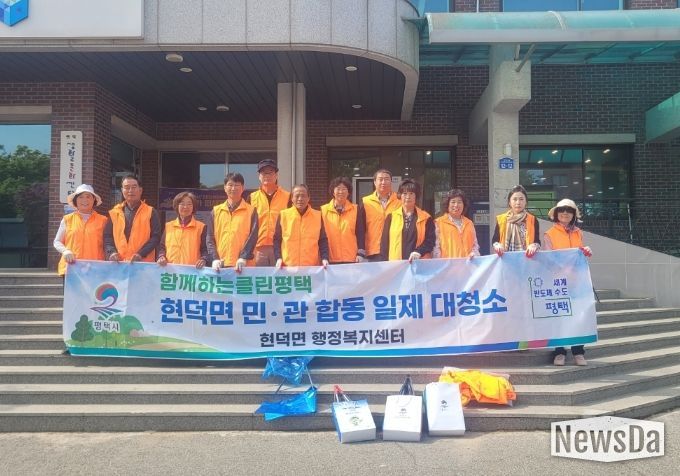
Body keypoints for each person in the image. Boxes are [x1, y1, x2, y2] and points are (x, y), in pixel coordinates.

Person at [544, 198, 593, 367]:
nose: (565, 213)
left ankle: (578, 351)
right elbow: (548, 259)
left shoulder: (578, 232)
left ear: (573, 215)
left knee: (579, 316)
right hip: (558, 282)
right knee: (559, 317)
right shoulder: (549, 234)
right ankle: (559, 352)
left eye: (569, 211)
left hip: (577, 281)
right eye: (562, 210)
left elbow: (579, 253)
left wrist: (585, 251)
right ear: (556, 214)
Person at [206, 173, 259, 273]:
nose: (233, 188)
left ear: (242, 188)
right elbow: (209, 237)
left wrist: (244, 257)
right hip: (220, 265)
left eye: (237, 185)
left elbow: (253, 236)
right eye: (230, 185)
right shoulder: (216, 211)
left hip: (244, 265)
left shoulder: (251, 211)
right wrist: (214, 258)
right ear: (225, 188)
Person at [53, 184, 107, 276]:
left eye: (88, 197)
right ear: (76, 200)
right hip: (71, 268)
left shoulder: (103, 220)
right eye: (81, 197)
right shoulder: (67, 219)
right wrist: (65, 251)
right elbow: (57, 241)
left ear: (94, 199)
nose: (84, 200)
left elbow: (109, 244)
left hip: (95, 269)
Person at [104, 175, 161, 263]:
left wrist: (141, 254)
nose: (130, 190)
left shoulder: (150, 212)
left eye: (134, 187)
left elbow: (156, 237)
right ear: (122, 190)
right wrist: (111, 252)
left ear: (140, 190)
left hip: (143, 264)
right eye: (127, 187)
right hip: (119, 264)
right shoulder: (114, 212)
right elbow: (108, 236)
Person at [246, 159, 291, 266]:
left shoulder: (288, 197)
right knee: (259, 276)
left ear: (276, 175)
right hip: (258, 248)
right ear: (259, 176)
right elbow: (246, 224)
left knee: (280, 276)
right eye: (263, 173)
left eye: (270, 172)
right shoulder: (251, 198)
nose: (267, 175)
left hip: (280, 247)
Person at [273, 184, 329, 268]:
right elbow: (277, 239)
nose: (300, 199)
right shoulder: (283, 215)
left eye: (303, 196)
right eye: (297, 196)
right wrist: (278, 258)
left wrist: (325, 258)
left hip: (311, 267)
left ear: (308, 198)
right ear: (292, 198)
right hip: (288, 266)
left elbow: (322, 240)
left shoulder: (317, 215)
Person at [380, 179, 435, 262]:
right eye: (404, 193)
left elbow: (430, 241)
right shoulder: (391, 217)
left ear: (416, 196)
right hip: (396, 265)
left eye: (411, 193)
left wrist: (419, 252)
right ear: (400, 196)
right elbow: (384, 244)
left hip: (420, 263)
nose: (408, 197)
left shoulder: (426, 218)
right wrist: (385, 264)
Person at [156, 192, 209, 269]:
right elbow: (162, 247)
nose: (185, 207)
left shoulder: (201, 227)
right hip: (170, 271)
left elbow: (205, 249)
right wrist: (161, 256)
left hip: (191, 272)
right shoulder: (168, 226)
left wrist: (203, 259)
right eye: (182, 204)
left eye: (189, 204)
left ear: (193, 207)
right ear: (177, 206)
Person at [320, 177, 366, 264]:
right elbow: (321, 236)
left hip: (351, 258)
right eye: (338, 189)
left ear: (348, 192)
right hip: (330, 259)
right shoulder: (323, 210)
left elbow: (360, 233)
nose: (341, 192)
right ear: (333, 192)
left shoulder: (355, 209)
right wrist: (324, 257)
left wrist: (360, 253)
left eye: (344, 189)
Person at [362, 169, 401, 261]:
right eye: (380, 179)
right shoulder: (365, 202)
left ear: (391, 182)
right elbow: (361, 228)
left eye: (387, 179)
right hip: (374, 251)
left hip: (395, 249)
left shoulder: (400, 201)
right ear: (375, 182)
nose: (383, 182)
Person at [492, 185, 540, 258]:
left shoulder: (532, 220)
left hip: (526, 260)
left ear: (526, 202)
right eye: (514, 199)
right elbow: (495, 240)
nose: (518, 202)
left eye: (521, 199)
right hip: (506, 259)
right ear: (509, 202)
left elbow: (537, 241)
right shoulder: (502, 219)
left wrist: (534, 246)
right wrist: (497, 245)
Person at [433, 189, 480, 259]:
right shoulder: (439, 223)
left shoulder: (469, 223)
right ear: (447, 204)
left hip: (467, 264)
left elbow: (475, 245)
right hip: (447, 264)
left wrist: (474, 254)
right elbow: (436, 248)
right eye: (453, 202)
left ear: (464, 205)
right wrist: (441, 263)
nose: (456, 205)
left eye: (459, 202)